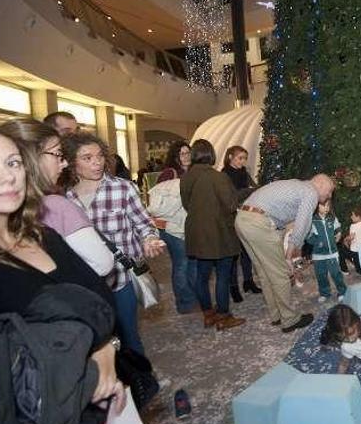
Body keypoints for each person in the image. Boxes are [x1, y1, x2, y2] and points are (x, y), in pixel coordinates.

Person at [0, 126, 126, 424]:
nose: (7, 177)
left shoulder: (44, 237)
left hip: (89, 406)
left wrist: (105, 349)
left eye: (12, 163)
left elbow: (100, 298)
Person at [63, 132, 164, 355]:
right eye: (87, 158)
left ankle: (142, 384)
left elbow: (144, 223)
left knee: (128, 336)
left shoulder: (122, 188)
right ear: (71, 163)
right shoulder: (65, 198)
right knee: (98, 342)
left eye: (99, 156)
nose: (97, 162)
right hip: (85, 282)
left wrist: (150, 239)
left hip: (120, 277)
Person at [0, 119, 113, 277]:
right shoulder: (56, 204)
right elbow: (103, 264)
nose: (64, 163)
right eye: (58, 155)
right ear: (33, 157)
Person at [234, 174, 334, 332]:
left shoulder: (297, 185)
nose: (329, 196)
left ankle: (277, 315)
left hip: (242, 219)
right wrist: (290, 254)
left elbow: (281, 221)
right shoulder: (311, 192)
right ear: (320, 184)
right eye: (329, 191)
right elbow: (302, 225)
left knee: (265, 272)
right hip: (258, 222)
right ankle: (289, 319)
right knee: (281, 274)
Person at [180, 139, 244, 331]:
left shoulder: (186, 177)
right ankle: (224, 316)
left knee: (202, 276)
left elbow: (186, 205)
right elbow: (231, 205)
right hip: (219, 232)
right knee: (223, 276)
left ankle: (208, 314)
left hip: (196, 232)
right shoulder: (218, 177)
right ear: (211, 155)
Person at [147, 140, 198, 314]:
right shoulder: (170, 173)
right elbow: (157, 204)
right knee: (181, 264)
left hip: (186, 226)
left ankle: (193, 298)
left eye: (188, 153)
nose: (186, 157)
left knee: (192, 263)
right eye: (182, 153)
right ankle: (184, 303)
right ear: (175, 156)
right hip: (170, 227)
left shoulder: (192, 172)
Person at [221, 146, 262, 299]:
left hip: (246, 215)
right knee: (233, 254)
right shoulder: (224, 175)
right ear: (230, 156)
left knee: (247, 250)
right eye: (240, 158)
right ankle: (233, 287)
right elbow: (232, 197)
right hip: (230, 218)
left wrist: (250, 190)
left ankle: (248, 281)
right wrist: (248, 191)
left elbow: (255, 188)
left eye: (245, 158)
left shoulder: (244, 172)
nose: (243, 161)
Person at [306, 199, 347, 303]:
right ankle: (324, 293)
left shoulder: (332, 219)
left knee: (336, 273)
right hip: (318, 255)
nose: (326, 208)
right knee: (321, 275)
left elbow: (338, 228)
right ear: (316, 207)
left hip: (332, 253)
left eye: (328, 206)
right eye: (323, 206)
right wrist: (316, 242)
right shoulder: (312, 221)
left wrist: (338, 234)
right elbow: (308, 235)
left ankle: (342, 291)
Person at [344, 206, 361, 276]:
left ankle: (359, 269)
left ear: (358, 216)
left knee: (358, 268)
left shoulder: (353, 226)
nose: (351, 217)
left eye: (352, 215)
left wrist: (346, 239)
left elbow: (352, 237)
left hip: (355, 251)